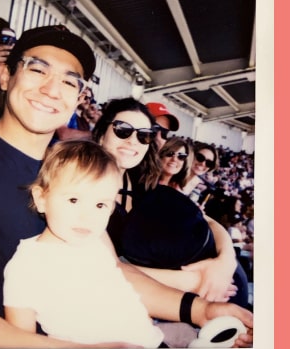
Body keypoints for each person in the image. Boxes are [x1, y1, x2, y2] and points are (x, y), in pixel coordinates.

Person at [0, 25, 253, 349]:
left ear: (78, 98)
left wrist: (200, 309)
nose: (51, 90)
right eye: (37, 70)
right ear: (5, 76)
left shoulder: (74, 168)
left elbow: (109, 268)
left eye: (68, 82)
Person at [3, 140, 164, 348]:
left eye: (100, 204)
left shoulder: (96, 245)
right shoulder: (27, 265)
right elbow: (19, 343)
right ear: (41, 198)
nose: (88, 216)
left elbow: (125, 297)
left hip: (152, 342)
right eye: (73, 200)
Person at [91, 98, 243, 306]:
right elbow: (102, 268)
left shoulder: (141, 179)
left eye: (144, 135)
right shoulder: (85, 187)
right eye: (122, 130)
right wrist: (195, 281)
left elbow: (210, 222)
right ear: (101, 134)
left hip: (214, 278)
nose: (133, 141)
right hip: (177, 293)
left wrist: (225, 261)